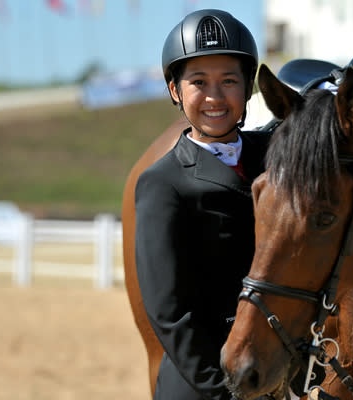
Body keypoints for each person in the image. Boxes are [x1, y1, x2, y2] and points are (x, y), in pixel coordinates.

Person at [134, 9, 270, 400]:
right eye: (199, 82)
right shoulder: (163, 183)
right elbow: (170, 314)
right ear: (176, 91)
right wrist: (227, 392)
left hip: (274, 370)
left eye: (229, 81)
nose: (215, 96)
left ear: (247, 86)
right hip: (206, 384)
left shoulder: (277, 155)